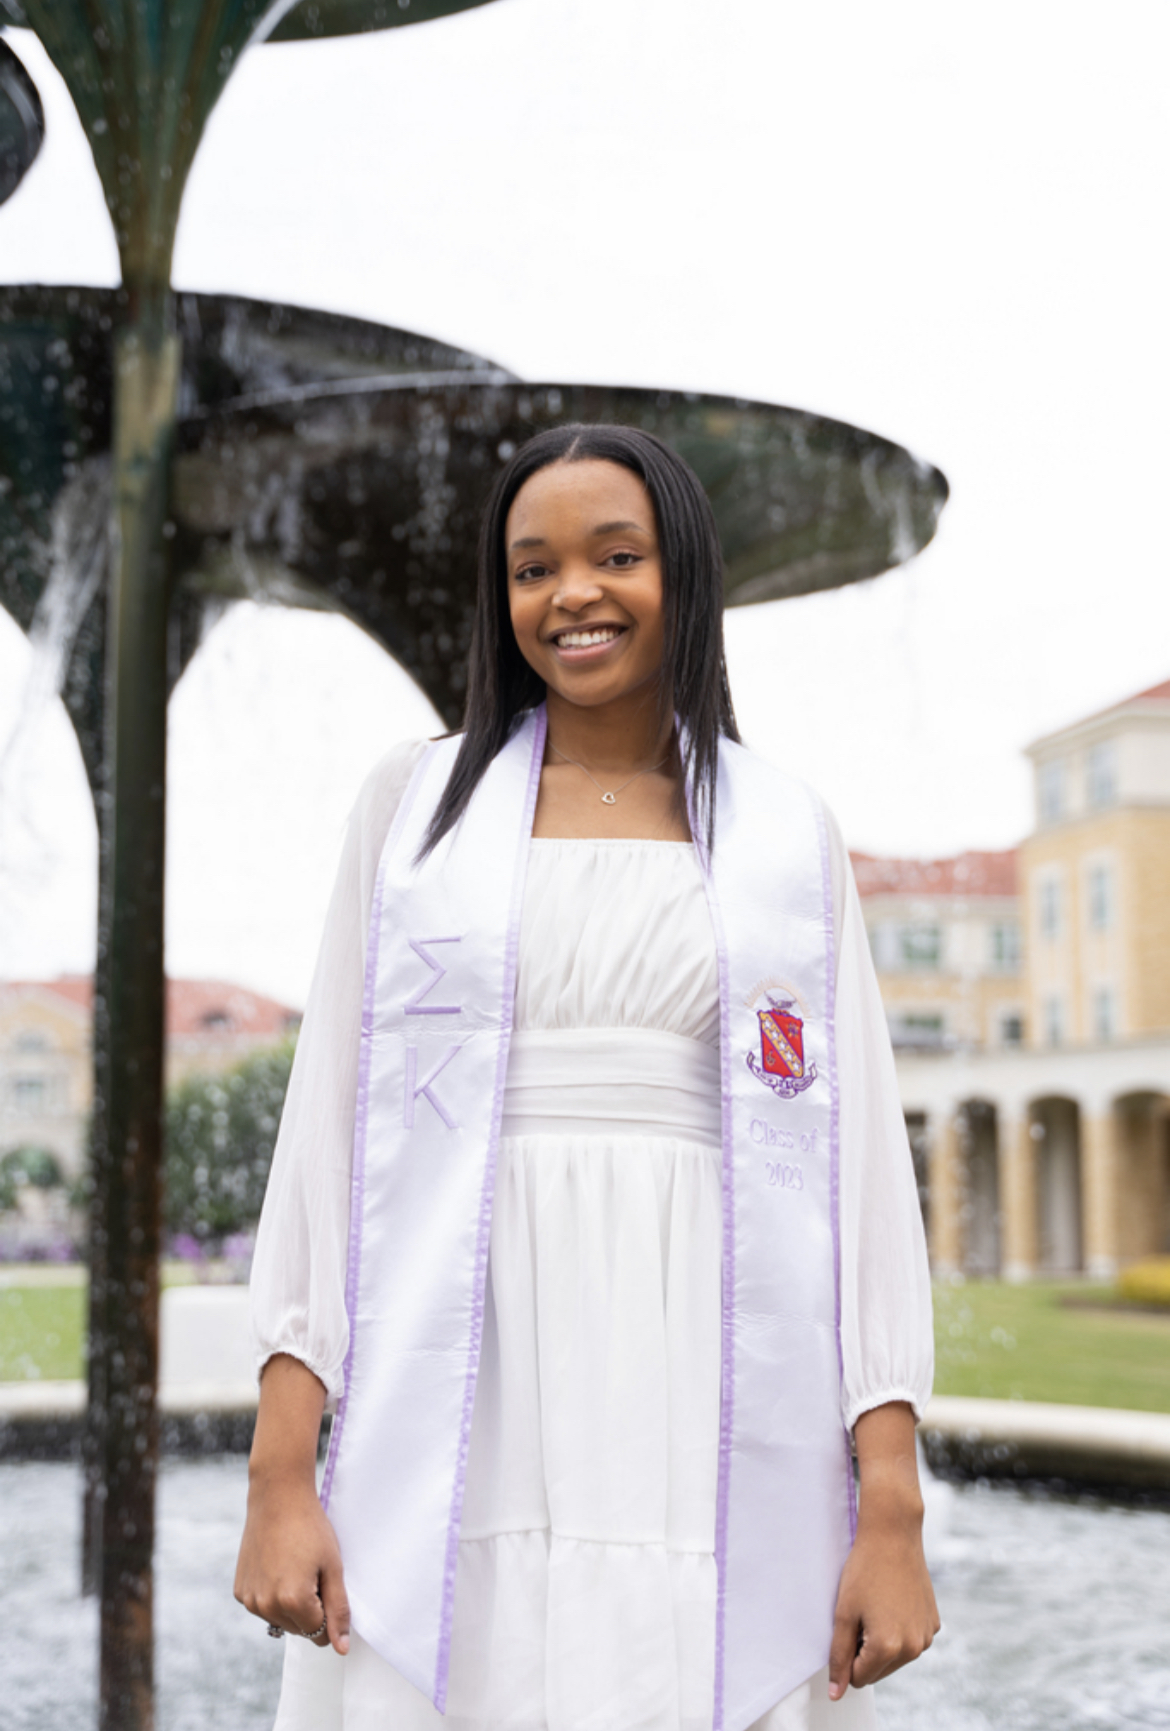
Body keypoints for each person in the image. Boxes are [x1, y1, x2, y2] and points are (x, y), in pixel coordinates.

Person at [235, 424, 938, 1731]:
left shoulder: (783, 830)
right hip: (461, 1360)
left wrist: (887, 1503)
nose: (571, 594)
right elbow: (327, 1142)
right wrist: (283, 1476)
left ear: (684, 574)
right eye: (531, 566)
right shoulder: (417, 813)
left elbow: (854, 1183)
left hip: (704, 1367)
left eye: (616, 556)